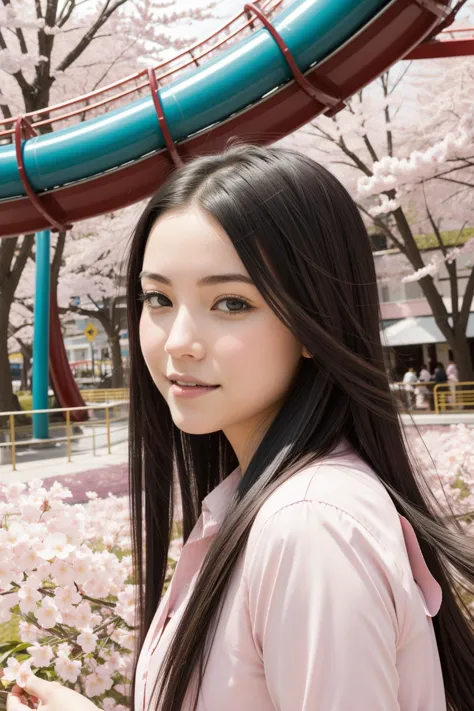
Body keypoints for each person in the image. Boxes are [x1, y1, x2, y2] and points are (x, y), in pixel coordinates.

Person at [8, 145, 474, 711]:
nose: (178, 340)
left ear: (314, 322)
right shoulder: (261, 503)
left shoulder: (307, 526)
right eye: (158, 298)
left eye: (230, 302)